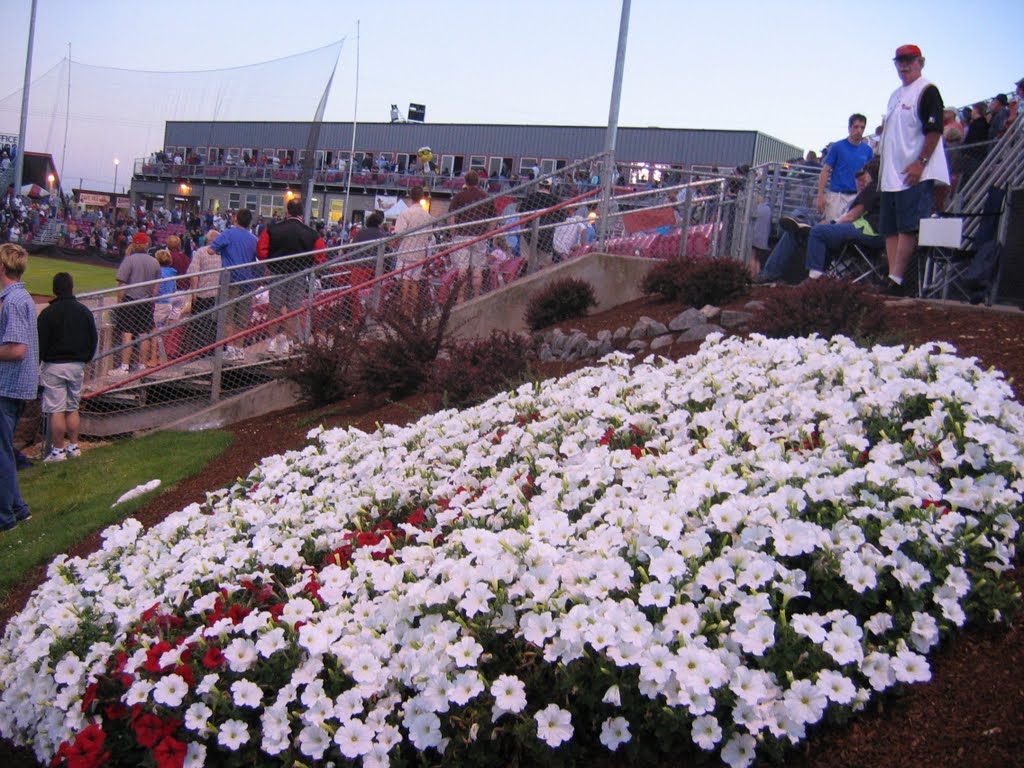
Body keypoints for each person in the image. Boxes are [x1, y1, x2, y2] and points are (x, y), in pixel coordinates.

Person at [877, 44, 949, 296]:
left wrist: (921, 161)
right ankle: (891, 276)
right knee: (889, 226)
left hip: (913, 170)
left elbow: (934, 130)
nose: (904, 65)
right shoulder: (895, 95)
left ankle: (898, 278)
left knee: (907, 226)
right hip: (891, 173)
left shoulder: (927, 90)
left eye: (909, 60)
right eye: (900, 61)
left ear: (920, 62)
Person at [755, 159, 883, 284]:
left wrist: (831, 225)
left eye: (863, 178)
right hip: (840, 231)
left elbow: (851, 217)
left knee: (816, 230)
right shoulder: (858, 195)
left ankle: (814, 279)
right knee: (793, 232)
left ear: (870, 174)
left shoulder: (872, 190)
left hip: (854, 236)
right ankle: (769, 273)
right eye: (858, 179)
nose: (861, 182)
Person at [36, 272, 97, 463]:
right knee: (72, 407)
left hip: (54, 365)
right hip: (76, 365)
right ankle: (74, 445)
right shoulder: (83, 311)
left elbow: (40, 343)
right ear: (72, 287)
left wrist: (38, 363)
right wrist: (85, 358)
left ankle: (58, 450)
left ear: (55, 289)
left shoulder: (48, 314)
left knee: (56, 409)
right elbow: (92, 338)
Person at [255, 197, 328, 353]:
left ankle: (272, 341)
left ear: (287, 211)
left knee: (275, 308)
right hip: (299, 274)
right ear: (302, 212)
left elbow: (261, 251)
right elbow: (321, 257)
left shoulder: (272, 229)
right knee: (294, 309)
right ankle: (288, 341)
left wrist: (270, 263)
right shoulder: (312, 234)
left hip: (278, 272)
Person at [0, 244, 38, 531]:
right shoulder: (20, 297)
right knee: (5, 451)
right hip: (17, 386)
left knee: (2, 453)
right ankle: (18, 509)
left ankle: (6, 517)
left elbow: (17, 350)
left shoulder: (12, 301)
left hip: (7, 387)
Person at [211, 208, 258, 360]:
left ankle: (230, 348)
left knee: (228, 316)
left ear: (236, 218)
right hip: (247, 281)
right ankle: (239, 349)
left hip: (230, 281)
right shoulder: (253, 239)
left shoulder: (228, 234)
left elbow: (211, 250)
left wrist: (221, 251)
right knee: (242, 318)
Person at [112, 240, 161, 374]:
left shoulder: (129, 260)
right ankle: (142, 365)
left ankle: (124, 366)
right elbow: (156, 288)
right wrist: (151, 299)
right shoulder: (154, 261)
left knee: (127, 333)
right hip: (146, 301)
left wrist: (120, 301)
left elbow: (122, 284)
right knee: (144, 333)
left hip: (130, 301)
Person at [816, 114, 874, 223]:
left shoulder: (868, 151)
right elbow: (825, 171)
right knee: (831, 228)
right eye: (856, 127)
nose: (859, 130)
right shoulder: (838, 147)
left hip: (857, 197)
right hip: (837, 196)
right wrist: (820, 195)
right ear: (849, 128)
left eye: (862, 127)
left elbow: (870, 175)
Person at [447, 171, 493, 298]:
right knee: (477, 269)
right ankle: (477, 296)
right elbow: (493, 218)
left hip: (462, 234)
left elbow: (451, 217)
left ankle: (460, 298)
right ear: (478, 182)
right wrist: (488, 233)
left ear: (465, 182)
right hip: (479, 235)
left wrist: (453, 233)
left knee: (462, 268)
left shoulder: (459, 197)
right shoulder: (485, 196)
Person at [393, 186, 435, 310]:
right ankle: (412, 310)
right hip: (420, 252)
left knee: (404, 280)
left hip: (406, 251)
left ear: (410, 196)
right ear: (422, 197)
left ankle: (404, 308)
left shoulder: (406, 213)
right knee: (414, 281)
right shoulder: (427, 216)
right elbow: (429, 236)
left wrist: (394, 245)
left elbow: (399, 233)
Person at [185, 229, 222, 355]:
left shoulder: (201, 252)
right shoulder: (223, 252)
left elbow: (194, 273)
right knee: (215, 325)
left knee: (200, 325)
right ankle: (213, 351)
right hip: (219, 294)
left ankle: (200, 352)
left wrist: (194, 291)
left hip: (204, 294)